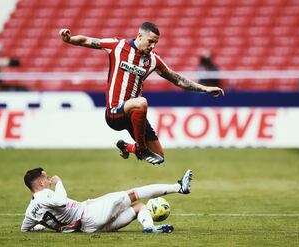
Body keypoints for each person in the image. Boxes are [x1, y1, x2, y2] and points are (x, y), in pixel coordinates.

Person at [59, 22, 224, 165]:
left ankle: (127, 147)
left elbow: (177, 79)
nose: (153, 46)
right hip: (115, 113)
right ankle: (141, 148)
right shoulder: (117, 46)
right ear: (139, 36)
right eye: (151, 41)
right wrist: (69, 39)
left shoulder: (153, 60)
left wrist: (204, 88)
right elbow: (87, 40)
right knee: (142, 102)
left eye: (156, 43)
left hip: (134, 115)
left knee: (159, 156)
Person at [21, 167, 192, 233]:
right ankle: (179, 188)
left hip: (90, 226)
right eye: (47, 178)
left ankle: (150, 228)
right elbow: (61, 201)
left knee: (139, 207)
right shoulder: (45, 194)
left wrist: (40, 226)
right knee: (133, 194)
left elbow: (25, 229)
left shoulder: (31, 210)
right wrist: (59, 182)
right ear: (41, 182)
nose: (49, 180)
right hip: (90, 216)